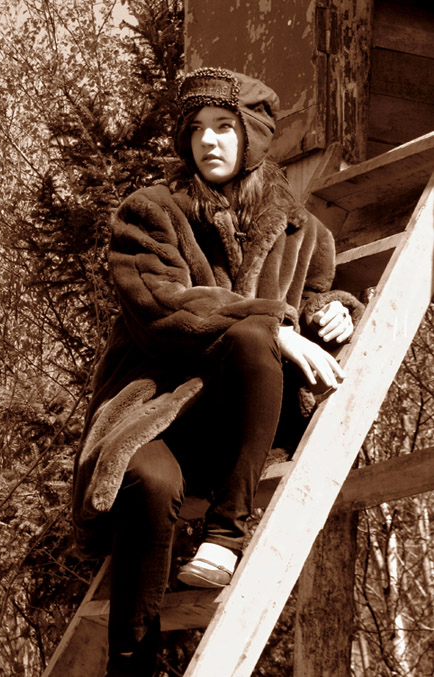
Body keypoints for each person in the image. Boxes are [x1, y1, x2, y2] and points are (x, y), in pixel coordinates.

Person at [72, 67, 364, 677]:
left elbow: (312, 299)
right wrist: (274, 321)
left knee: (258, 335)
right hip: (160, 409)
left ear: (253, 134)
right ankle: (131, 666)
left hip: (243, 424)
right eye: (196, 128)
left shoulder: (304, 230)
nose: (207, 140)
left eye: (224, 126)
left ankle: (227, 533)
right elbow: (161, 306)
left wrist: (335, 310)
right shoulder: (149, 212)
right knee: (147, 482)